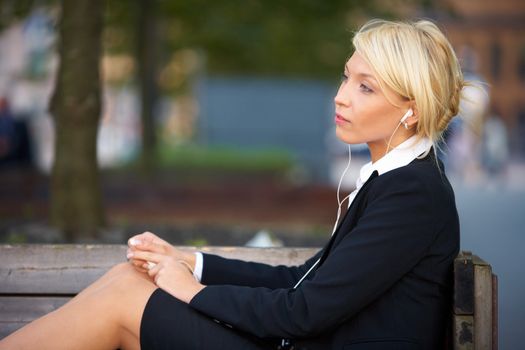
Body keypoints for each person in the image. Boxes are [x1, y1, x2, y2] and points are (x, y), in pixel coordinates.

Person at [0, 19, 463, 350]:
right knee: (129, 277)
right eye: (346, 77)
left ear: (412, 109)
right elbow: (300, 281)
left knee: (124, 298)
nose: (341, 96)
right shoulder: (398, 181)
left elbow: (304, 311)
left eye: (366, 87)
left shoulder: (412, 193)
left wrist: (191, 291)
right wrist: (191, 262)